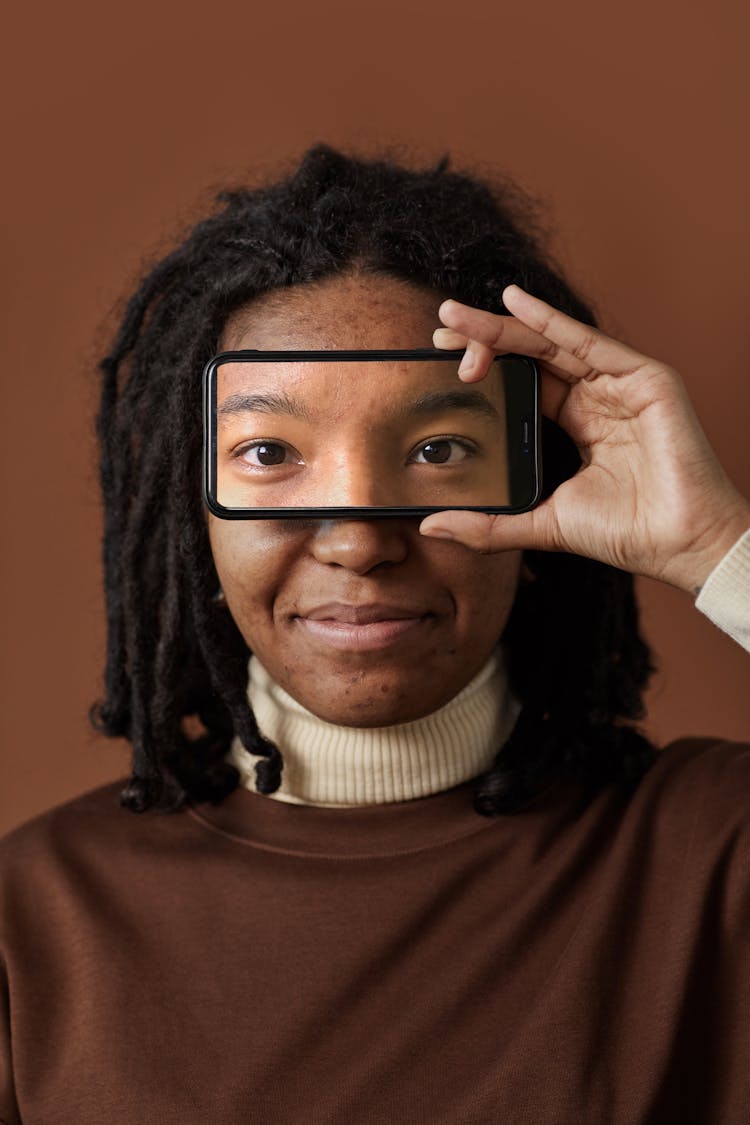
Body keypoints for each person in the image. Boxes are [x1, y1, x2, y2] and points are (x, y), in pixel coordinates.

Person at [1, 144, 748, 1124]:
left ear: (541, 481)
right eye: (269, 453)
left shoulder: (709, 854)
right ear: (193, 515)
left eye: (439, 450)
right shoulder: (34, 921)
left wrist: (717, 546)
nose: (358, 541)